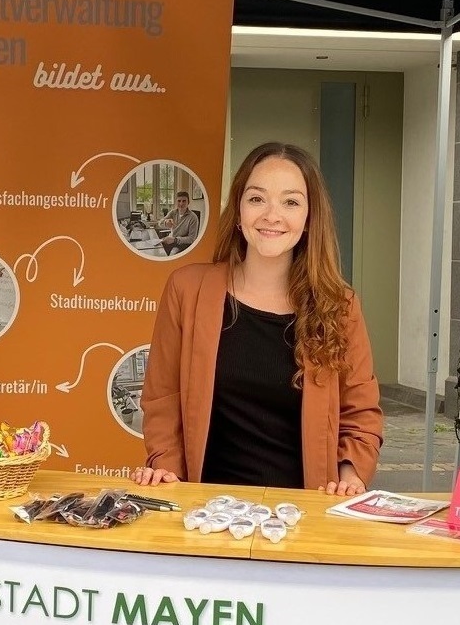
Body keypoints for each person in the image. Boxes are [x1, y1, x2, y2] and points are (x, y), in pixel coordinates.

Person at [131, 141, 383, 494]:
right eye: (256, 198)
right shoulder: (187, 290)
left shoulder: (338, 306)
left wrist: (349, 475)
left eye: (291, 202)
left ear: (309, 219)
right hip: (206, 515)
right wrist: (165, 467)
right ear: (238, 210)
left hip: (303, 515)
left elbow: (360, 412)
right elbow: (162, 399)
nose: (271, 215)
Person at [158, 191, 200, 255]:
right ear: (176, 202)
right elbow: (160, 223)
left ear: (188, 202)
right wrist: (165, 222)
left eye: (184, 201)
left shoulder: (193, 217)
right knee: (158, 250)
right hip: (171, 240)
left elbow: (192, 238)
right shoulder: (173, 212)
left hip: (183, 245)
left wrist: (175, 240)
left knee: (172, 254)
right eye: (179, 201)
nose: (181, 203)